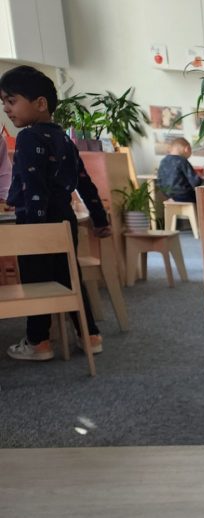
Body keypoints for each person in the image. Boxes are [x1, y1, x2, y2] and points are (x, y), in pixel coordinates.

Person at [1, 65, 111, 361]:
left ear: (40, 103)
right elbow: (85, 182)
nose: (6, 109)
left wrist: (37, 230)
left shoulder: (27, 138)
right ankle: (90, 334)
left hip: (36, 223)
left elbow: (34, 186)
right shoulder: (64, 139)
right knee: (69, 276)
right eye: (4, 103)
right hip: (64, 218)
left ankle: (39, 342)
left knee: (37, 283)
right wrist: (100, 219)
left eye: (12, 101)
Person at [157, 137, 201, 202]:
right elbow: (195, 183)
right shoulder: (182, 161)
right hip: (183, 195)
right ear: (187, 149)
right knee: (202, 197)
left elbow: (159, 180)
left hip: (167, 195)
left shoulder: (163, 161)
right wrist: (199, 176)